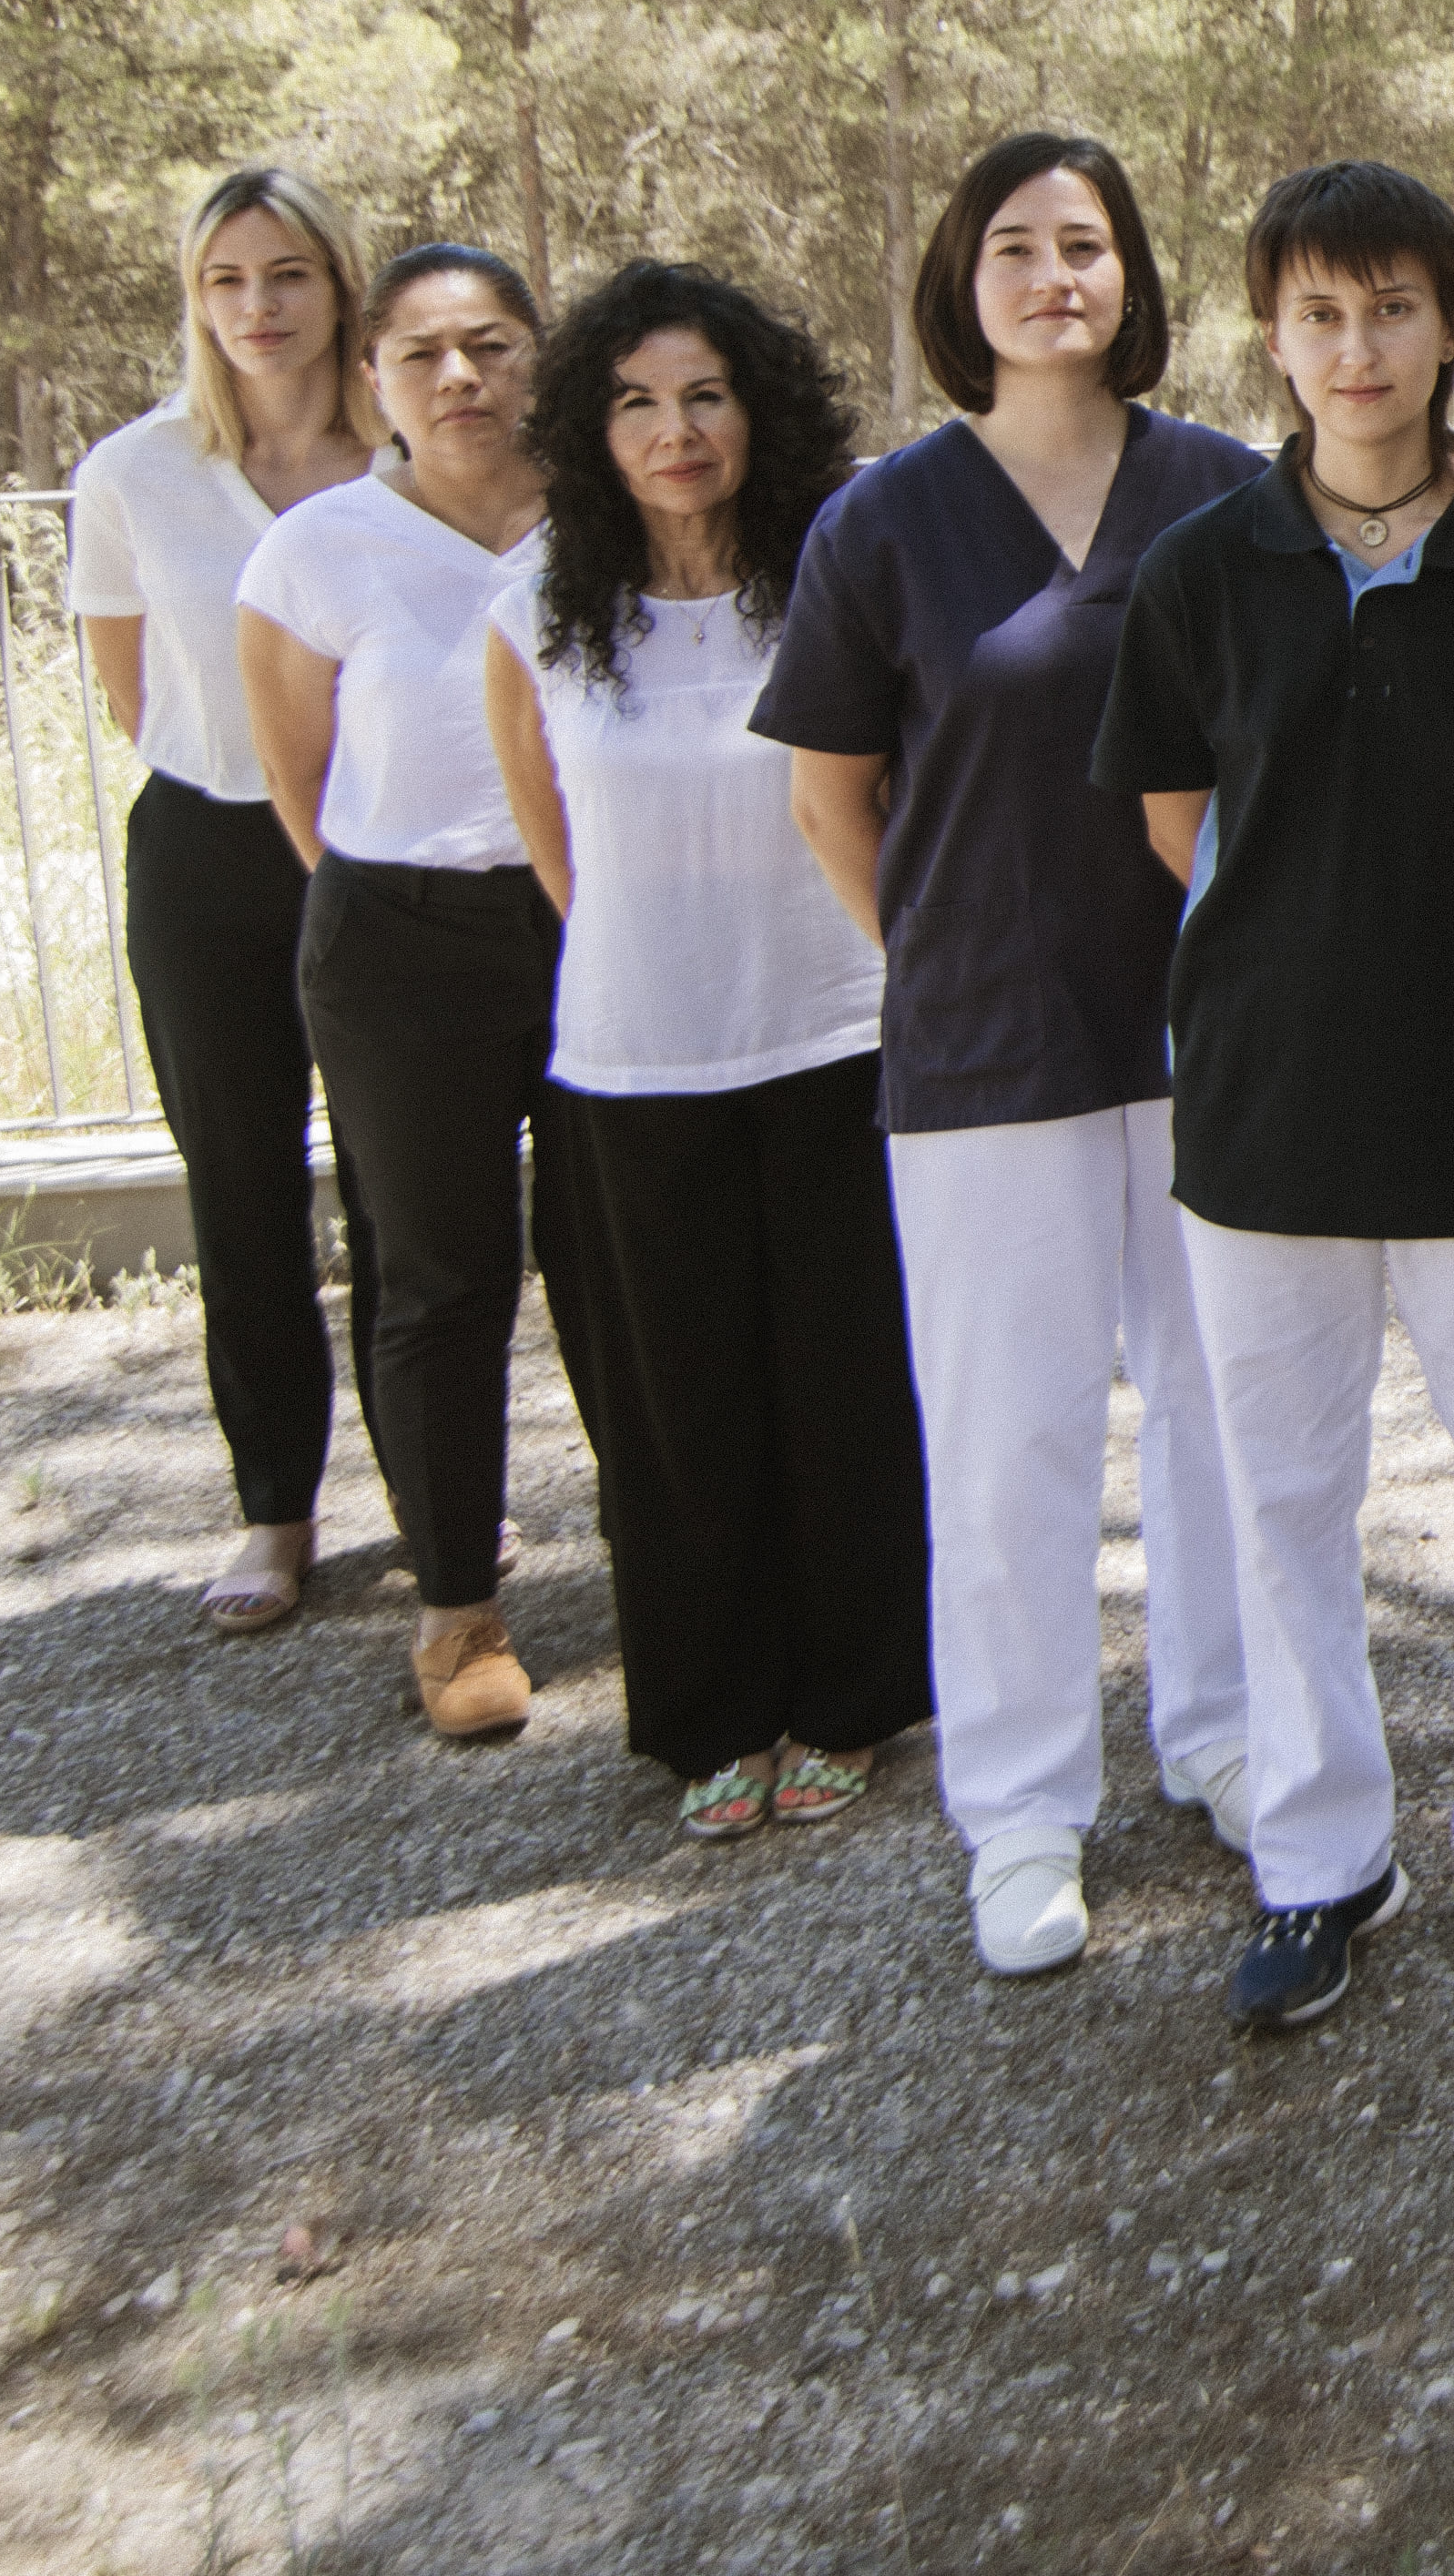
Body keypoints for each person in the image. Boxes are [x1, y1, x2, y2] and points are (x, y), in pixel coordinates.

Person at [1095, 162, 1454, 2034]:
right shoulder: (1198, 567)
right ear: (1274, 337)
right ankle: (1318, 1856)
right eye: (1320, 313)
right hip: (1265, 1111)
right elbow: (1182, 822)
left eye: (1393, 307)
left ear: (1451, 323)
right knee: (1282, 1496)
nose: (1359, 347)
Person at [758, 134, 1266, 1980]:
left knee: (1226, 1409)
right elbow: (833, 799)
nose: (1058, 275)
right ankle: (1028, 1806)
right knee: (1008, 1438)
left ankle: (1228, 1731)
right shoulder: (883, 525)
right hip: (986, 1054)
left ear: (1133, 273)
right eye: (1019, 247)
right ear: (961, 282)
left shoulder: (1223, 492)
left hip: (1211, 1037)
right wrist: (946, 957)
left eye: (1089, 243)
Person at [483, 262, 927, 1843]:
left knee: (844, 1388)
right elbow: (554, 840)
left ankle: (852, 1698)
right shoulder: (536, 606)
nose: (674, 432)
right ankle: (709, 1715)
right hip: (635, 1061)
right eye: (635, 402)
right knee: (676, 1412)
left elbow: (881, 797)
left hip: (832, 1038)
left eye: (706, 396)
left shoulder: (834, 578)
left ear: (759, 411)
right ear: (590, 428)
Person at [237, 243, 616, 1743]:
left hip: (595, 925)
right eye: (421, 354)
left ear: (543, 358)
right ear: (374, 378)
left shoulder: (608, 519)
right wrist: (414, 900)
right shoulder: (319, 550)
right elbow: (299, 783)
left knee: (618, 1257)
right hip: (401, 938)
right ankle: (458, 1605)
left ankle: (670, 1552)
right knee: (441, 1278)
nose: (461, 379)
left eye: (493, 345)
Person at [71, 166, 381, 1637]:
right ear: (196, 301)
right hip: (207, 856)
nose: (258, 308)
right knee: (242, 1189)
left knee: (403, 1191)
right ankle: (277, 1509)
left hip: (383, 859)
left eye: (287, 275)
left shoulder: (407, 460)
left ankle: (439, 1491)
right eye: (226, 281)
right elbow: (136, 692)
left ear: (340, 286)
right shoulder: (134, 474)